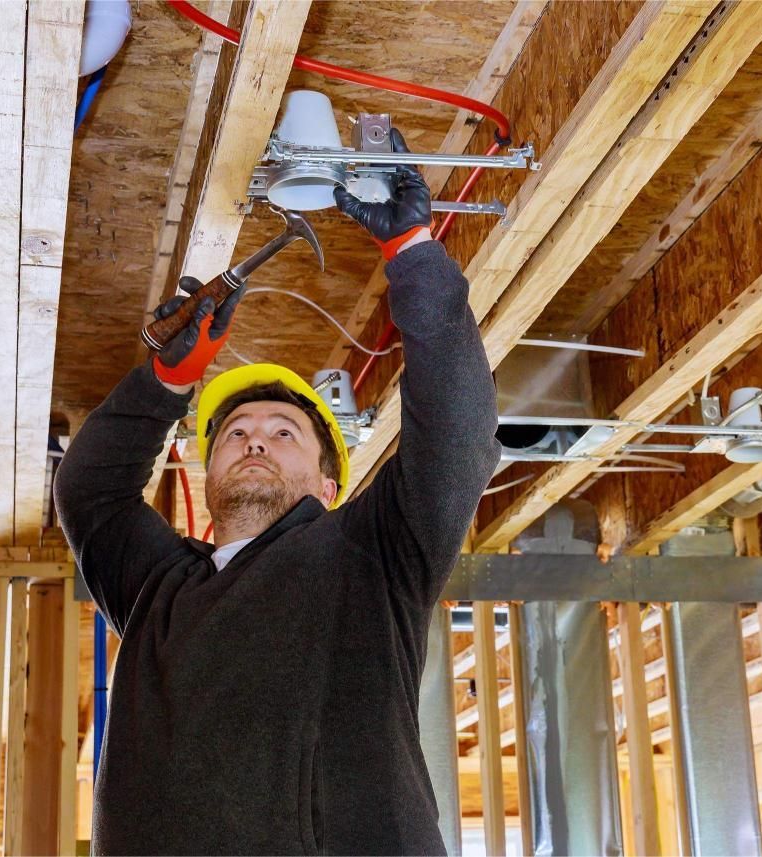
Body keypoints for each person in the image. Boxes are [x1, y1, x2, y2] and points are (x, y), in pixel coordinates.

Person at [55, 129, 501, 856]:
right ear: (207, 479)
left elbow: (457, 426)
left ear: (330, 484)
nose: (255, 437)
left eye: (283, 431)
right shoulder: (157, 587)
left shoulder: (372, 554)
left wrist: (413, 253)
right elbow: (90, 491)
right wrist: (168, 379)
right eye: (235, 433)